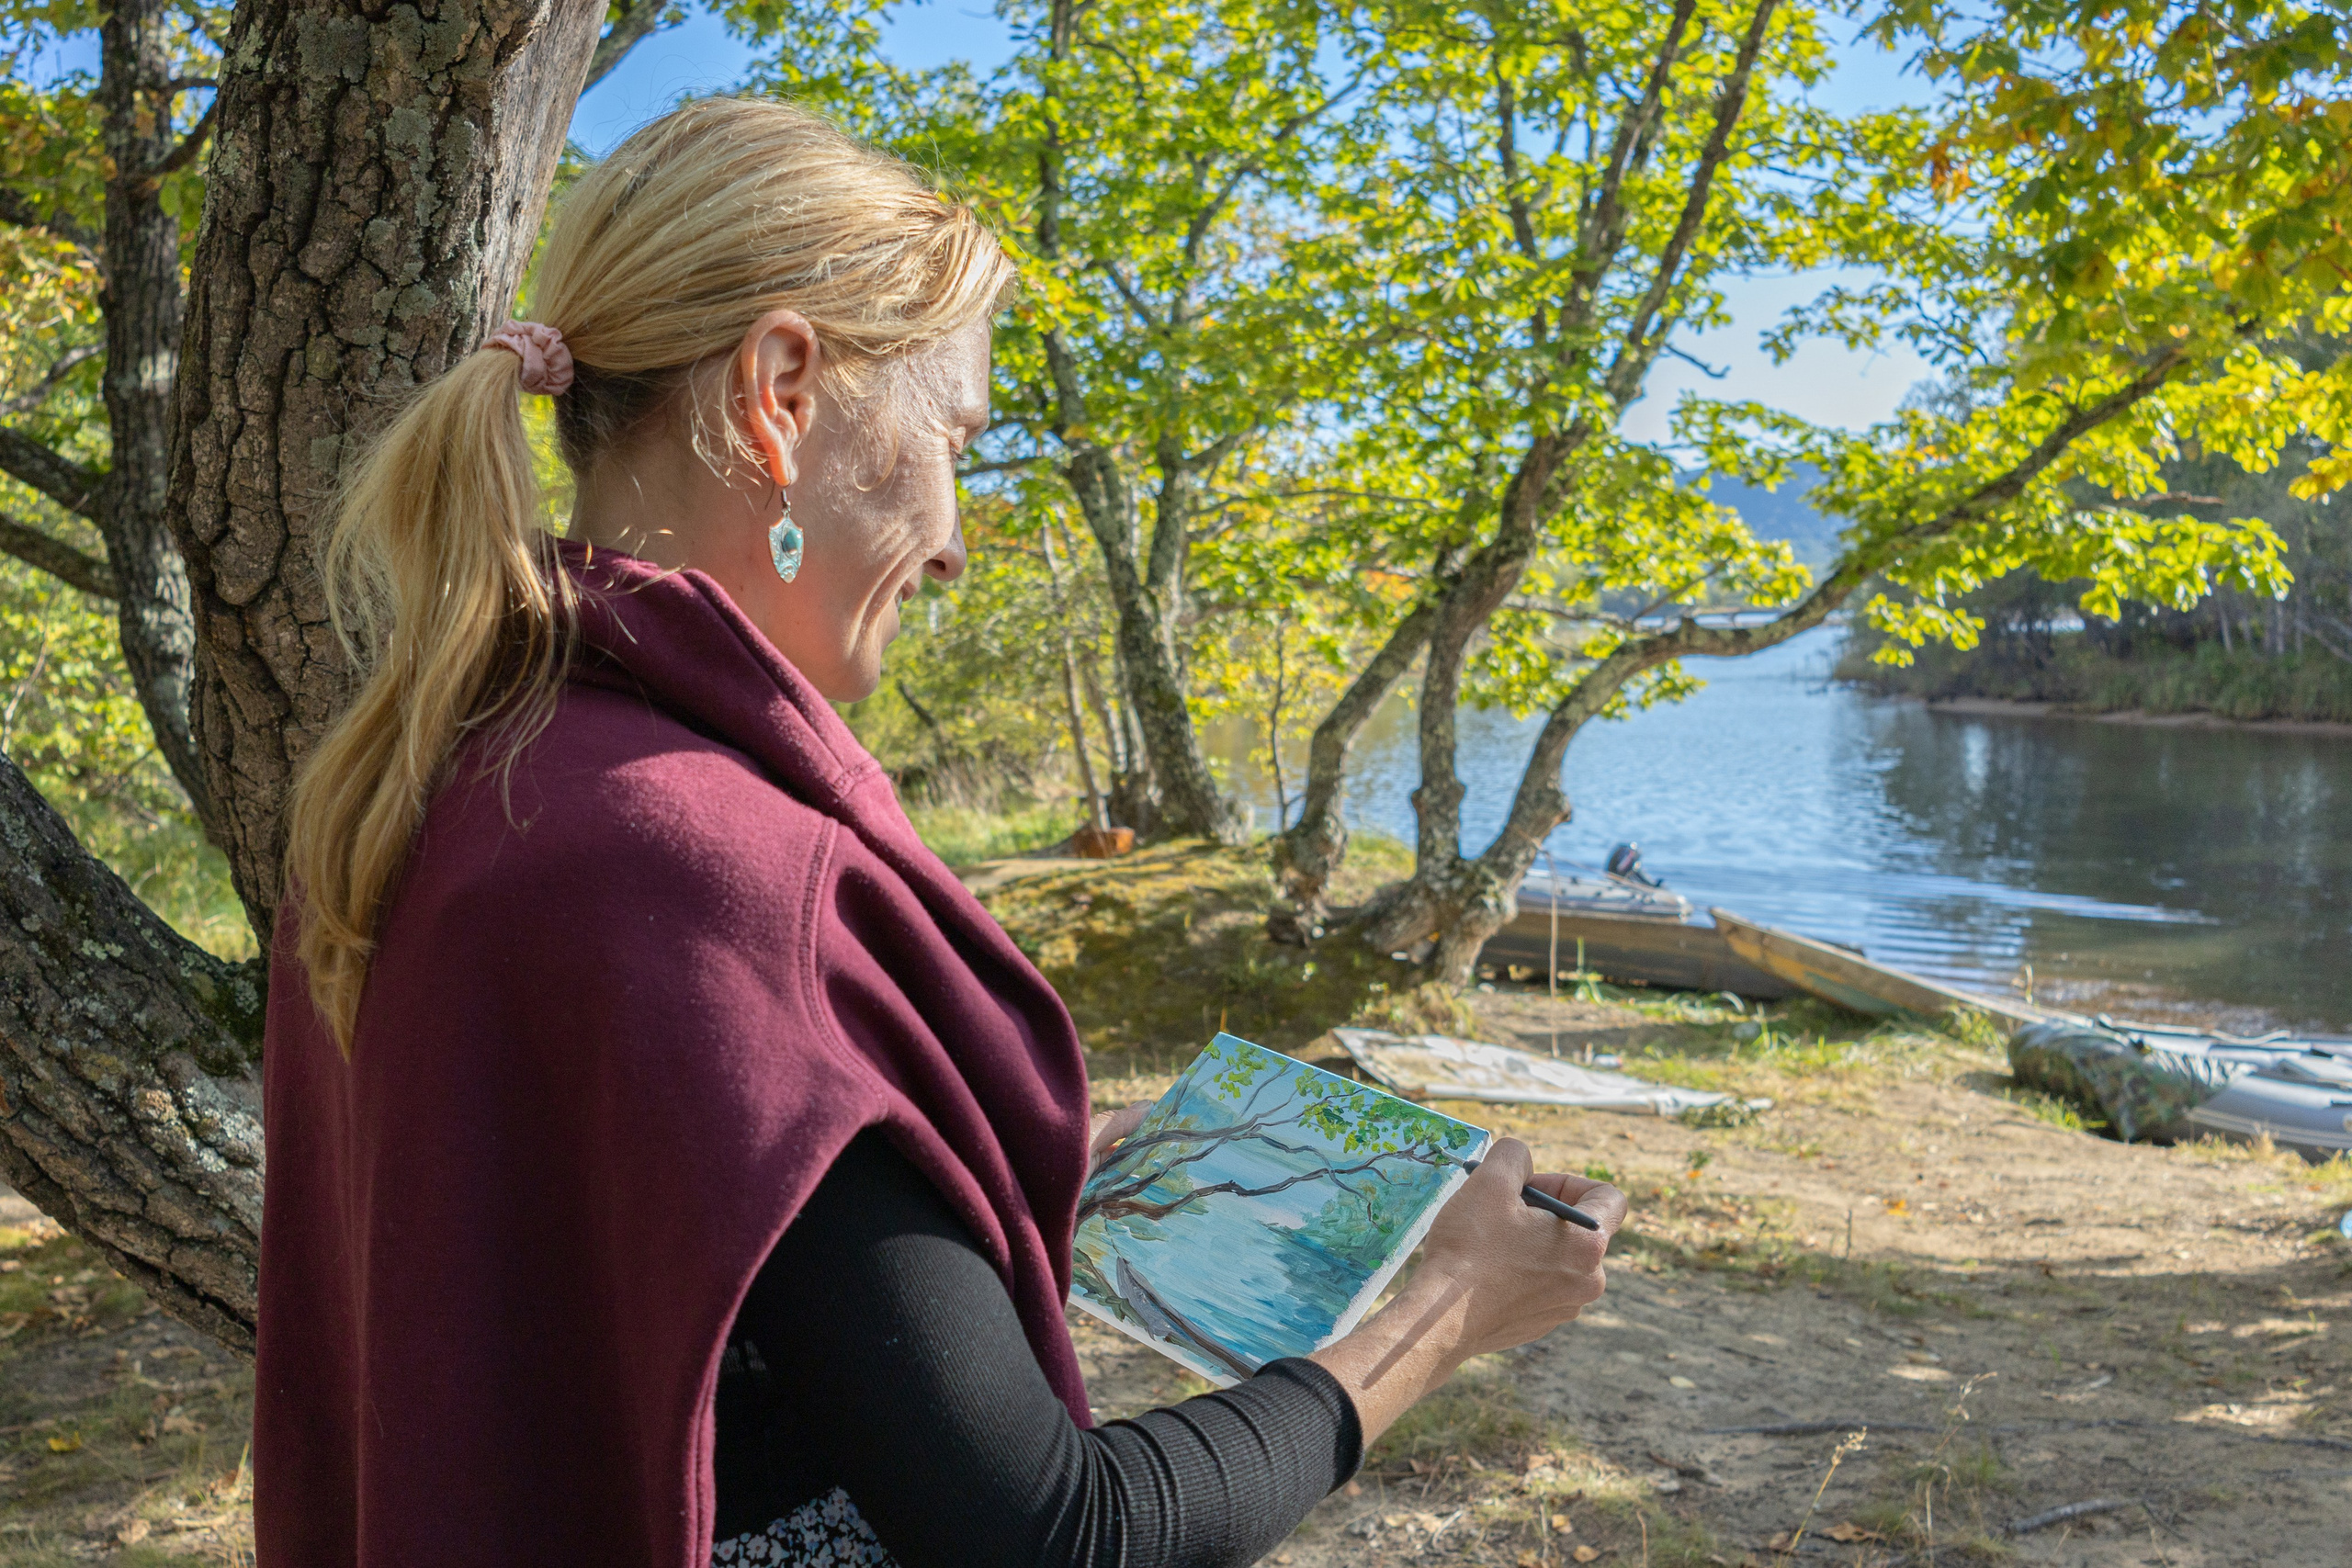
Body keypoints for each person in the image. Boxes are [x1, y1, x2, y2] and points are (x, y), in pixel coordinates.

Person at [255, 96, 1627, 1568]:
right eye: (953, 435)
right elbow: (1046, 1534)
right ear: (782, 389)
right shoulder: (698, 859)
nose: (959, 537)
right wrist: (1446, 1313)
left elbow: (665, 1278)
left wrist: (1007, 1164)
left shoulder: (450, 770)